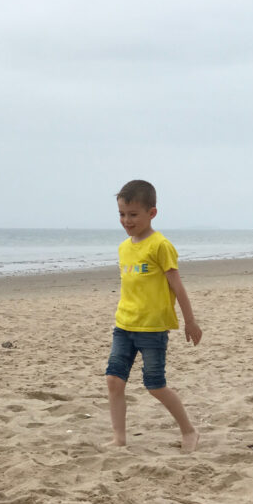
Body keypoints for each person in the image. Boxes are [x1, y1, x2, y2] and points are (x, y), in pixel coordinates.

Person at [105, 179, 202, 453]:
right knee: (113, 381)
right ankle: (119, 438)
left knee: (155, 386)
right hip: (124, 325)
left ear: (152, 213)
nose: (127, 220)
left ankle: (189, 431)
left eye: (133, 214)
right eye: (122, 214)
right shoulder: (124, 248)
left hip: (152, 329)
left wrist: (190, 320)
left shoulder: (161, 245)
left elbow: (177, 286)